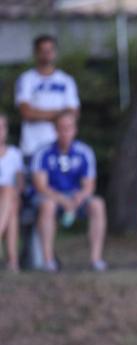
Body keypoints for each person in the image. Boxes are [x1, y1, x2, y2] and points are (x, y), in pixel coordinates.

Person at [31, 110, 106, 272]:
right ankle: (48, 261)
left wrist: (80, 197)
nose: (65, 132)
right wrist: (62, 200)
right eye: (61, 128)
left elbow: (89, 185)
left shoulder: (84, 152)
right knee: (48, 205)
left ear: (75, 129)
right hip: (50, 197)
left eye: (69, 127)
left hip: (74, 196)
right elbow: (41, 186)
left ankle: (96, 259)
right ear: (55, 130)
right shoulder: (43, 152)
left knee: (97, 204)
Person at [15, 35, 80, 160]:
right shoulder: (26, 79)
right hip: (32, 148)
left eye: (50, 50)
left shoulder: (66, 81)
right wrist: (60, 114)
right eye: (43, 51)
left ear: (55, 53)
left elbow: (73, 114)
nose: (46, 54)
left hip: (61, 149)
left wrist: (38, 113)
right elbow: (26, 112)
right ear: (36, 53)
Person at [0, 113, 24, 272]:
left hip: (9, 199)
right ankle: (12, 261)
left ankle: (12, 260)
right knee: (9, 198)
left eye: (2, 127)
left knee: (10, 195)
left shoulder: (14, 154)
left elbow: (20, 183)